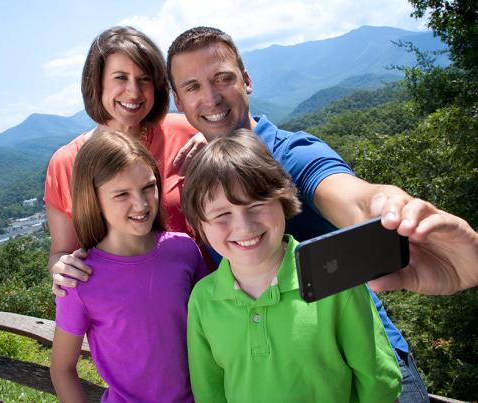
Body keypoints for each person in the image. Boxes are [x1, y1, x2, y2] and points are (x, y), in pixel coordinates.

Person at [166, 26, 430, 402]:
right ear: (178, 100)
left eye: (223, 78)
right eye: (192, 87)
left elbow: (347, 194)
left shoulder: (292, 154)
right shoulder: (206, 173)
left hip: (362, 363)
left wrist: (384, 208)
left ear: (247, 80)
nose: (210, 97)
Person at [181, 129, 402, 402]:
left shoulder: (335, 278)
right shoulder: (203, 300)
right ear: (200, 226)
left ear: (282, 199)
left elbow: (377, 382)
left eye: (256, 205)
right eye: (222, 214)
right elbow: (210, 393)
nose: (244, 226)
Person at [45, 26, 206, 296]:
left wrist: (216, 140)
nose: (134, 92)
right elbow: (60, 253)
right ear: (97, 83)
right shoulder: (66, 163)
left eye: (144, 79)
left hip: (204, 300)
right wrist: (61, 267)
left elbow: (246, 139)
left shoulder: (187, 133)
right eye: (121, 77)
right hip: (127, 316)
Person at [50, 130, 206, 402]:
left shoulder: (184, 249)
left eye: (148, 187)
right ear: (94, 200)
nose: (142, 203)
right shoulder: (80, 279)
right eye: (122, 194)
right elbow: (62, 369)